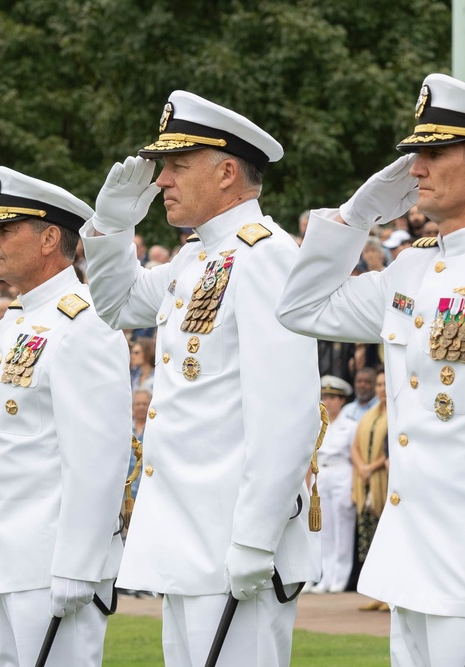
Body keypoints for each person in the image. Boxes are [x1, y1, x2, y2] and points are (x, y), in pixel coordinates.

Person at [277, 73, 465, 664]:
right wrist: (359, 211)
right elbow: (300, 308)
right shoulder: (412, 272)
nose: (414, 168)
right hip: (412, 566)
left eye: (433, 152)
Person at [80, 90, 321, 666]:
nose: (162, 179)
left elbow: (288, 412)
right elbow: (115, 305)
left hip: (235, 538)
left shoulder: (266, 257)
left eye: (178, 166)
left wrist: (257, 537)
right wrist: (111, 224)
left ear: (227, 173)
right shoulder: (197, 260)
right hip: (189, 537)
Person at [0, 167, 132, 665]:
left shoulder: (84, 322)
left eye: (3, 230)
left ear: (49, 238)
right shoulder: (21, 318)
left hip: (52, 557)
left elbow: (99, 457)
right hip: (10, 553)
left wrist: (80, 565)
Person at [310, 376, 358, 594]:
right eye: (325, 397)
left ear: (342, 400)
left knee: (343, 526)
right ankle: (325, 576)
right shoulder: (318, 425)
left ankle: (340, 576)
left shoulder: (350, 426)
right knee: (325, 527)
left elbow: (354, 456)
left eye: (333, 398)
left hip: (342, 472)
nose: (328, 402)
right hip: (322, 473)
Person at [353, 368, 389, 611]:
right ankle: (379, 591)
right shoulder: (369, 415)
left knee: (387, 536)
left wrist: (372, 466)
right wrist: (361, 467)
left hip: (383, 480)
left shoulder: (398, 414)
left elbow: (391, 451)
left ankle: (390, 594)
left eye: (386, 384)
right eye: (378, 385)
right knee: (372, 539)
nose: (381, 389)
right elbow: (354, 445)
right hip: (365, 481)